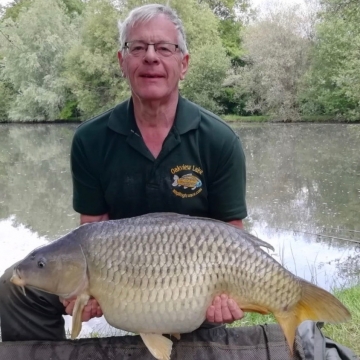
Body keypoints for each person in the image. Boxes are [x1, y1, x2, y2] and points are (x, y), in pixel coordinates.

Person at [0, 3, 247, 341]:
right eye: (137, 47)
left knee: (218, 304)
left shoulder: (219, 140)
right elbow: (91, 232)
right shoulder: (91, 139)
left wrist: (227, 298)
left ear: (183, 64)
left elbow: (233, 236)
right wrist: (81, 293)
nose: (150, 57)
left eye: (164, 48)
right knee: (15, 285)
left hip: (193, 285)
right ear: (122, 61)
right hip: (121, 276)